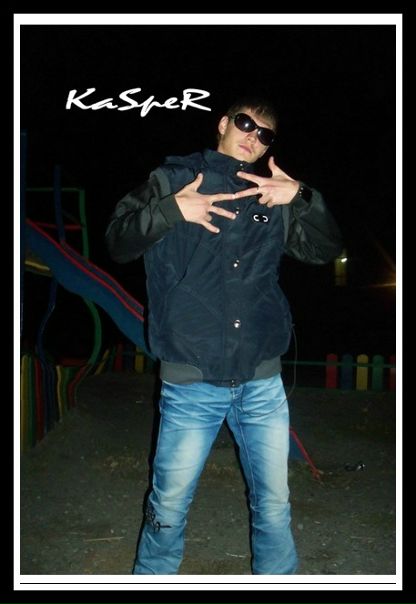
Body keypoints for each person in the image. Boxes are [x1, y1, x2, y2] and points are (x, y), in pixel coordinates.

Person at [105, 96, 343, 575]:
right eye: (245, 123)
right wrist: (170, 210)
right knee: (169, 504)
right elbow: (117, 241)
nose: (253, 136)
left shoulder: (271, 194)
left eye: (265, 134)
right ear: (223, 124)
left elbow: (325, 250)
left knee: (274, 503)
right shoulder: (172, 179)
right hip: (191, 379)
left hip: (261, 379)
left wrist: (300, 197)